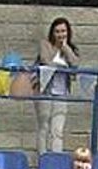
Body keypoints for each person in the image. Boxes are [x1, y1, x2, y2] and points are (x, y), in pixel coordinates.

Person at [34, 17, 80, 154]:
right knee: (44, 128)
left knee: (58, 130)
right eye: (57, 31)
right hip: (45, 92)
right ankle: (42, 159)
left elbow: (75, 64)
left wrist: (65, 47)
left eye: (63, 31)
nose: (61, 35)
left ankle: (55, 160)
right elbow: (46, 60)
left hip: (62, 93)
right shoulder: (45, 44)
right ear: (52, 33)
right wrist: (60, 59)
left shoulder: (71, 48)